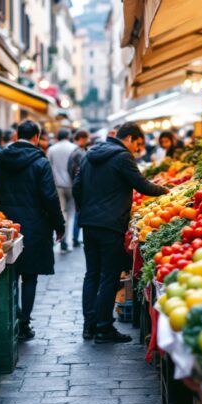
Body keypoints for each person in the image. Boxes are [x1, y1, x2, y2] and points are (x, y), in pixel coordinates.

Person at [73, 122, 169, 343]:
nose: (137, 150)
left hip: (89, 223)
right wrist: (164, 189)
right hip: (112, 224)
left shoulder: (90, 154)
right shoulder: (123, 157)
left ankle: (89, 326)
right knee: (109, 276)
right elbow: (142, 185)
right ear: (129, 138)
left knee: (92, 275)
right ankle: (104, 328)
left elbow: (77, 186)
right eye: (138, 145)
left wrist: (86, 211)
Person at [0, 120, 64, 340]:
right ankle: (24, 323)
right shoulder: (40, 162)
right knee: (30, 276)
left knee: (10, 273)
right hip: (35, 225)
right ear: (36, 137)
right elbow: (50, 197)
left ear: (16, 135)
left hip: (4, 226)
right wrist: (60, 225)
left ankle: (13, 317)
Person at [47, 128, 77, 253]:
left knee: (62, 212)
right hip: (72, 184)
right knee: (71, 214)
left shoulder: (52, 149)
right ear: (68, 136)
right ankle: (67, 241)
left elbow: (48, 167)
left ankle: (62, 240)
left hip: (57, 185)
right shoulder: (74, 148)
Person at [67, 129, 90, 248]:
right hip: (79, 187)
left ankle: (75, 237)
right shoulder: (79, 153)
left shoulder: (75, 151)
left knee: (77, 213)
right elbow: (78, 172)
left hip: (75, 185)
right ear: (82, 139)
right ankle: (75, 238)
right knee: (78, 213)